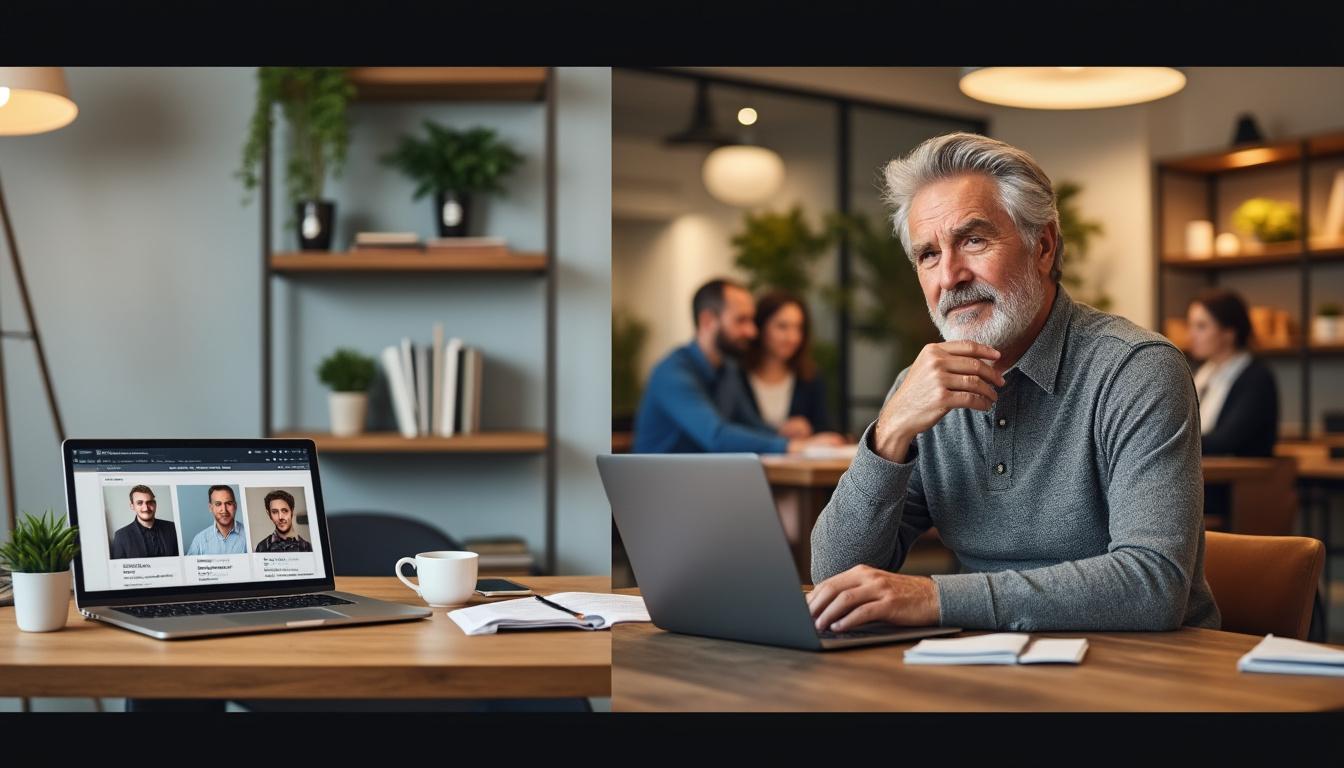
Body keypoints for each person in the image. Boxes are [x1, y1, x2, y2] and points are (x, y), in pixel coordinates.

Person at [807, 132, 1219, 633]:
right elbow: (834, 576)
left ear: (1042, 246)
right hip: (982, 670)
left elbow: (1154, 585)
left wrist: (933, 596)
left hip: (1144, 678)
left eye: (973, 240)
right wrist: (889, 432)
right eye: (928, 255)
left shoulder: (1136, 369)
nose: (950, 276)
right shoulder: (921, 389)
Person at [633, 277, 844, 454]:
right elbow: (716, 436)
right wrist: (795, 447)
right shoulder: (672, 373)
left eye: (751, 321)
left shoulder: (727, 370)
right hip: (663, 493)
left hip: (702, 487)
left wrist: (784, 433)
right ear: (708, 321)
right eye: (741, 321)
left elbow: (750, 425)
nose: (752, 332)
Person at [1187, 289, 1278, 457]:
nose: (1191, 335)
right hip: (1205, 472)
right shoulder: (1203, 374)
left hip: (1239, 478)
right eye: (1190, 326)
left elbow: (1225, 441)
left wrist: (1173, 443)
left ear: (1229, 332)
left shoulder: (1256, 378)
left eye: (1201, 326)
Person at [740, 290, 834, 440]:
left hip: (796, 463)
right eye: (782, 327)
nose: (792, 337)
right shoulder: (735, 374)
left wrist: (808, 430)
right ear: (760, 327)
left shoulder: (810, 376)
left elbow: (825, 429)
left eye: (798, 328)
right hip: (745, 462)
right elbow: (731, 427)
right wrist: (778, 432)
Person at [109, 485, 179, 559]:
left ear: (155, 504)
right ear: (132, 506)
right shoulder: (121, 536)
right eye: (139, 503)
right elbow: (119, 569)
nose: (146, 508)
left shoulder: (173, 528)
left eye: (149, 502)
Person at [186, 485, 248, 556]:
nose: (224, 510)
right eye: (218, 504)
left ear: (235, 506)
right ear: (210, 507)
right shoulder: (199, 541)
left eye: (228, 503)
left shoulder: (249, 536)